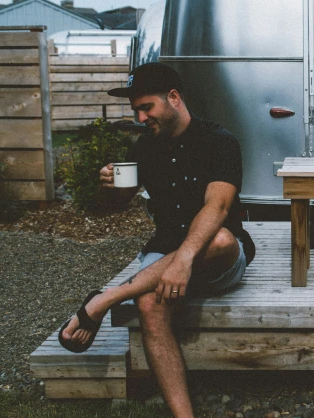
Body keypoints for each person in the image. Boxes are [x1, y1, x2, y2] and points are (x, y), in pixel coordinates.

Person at [58, 62, 254, 418]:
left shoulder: (219, 141)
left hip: (214, 259)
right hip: (163, 253)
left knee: (223, 240)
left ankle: (102, 302)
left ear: (174, 98)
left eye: (147, 107)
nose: (141, 116)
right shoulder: (144, 149)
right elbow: (115, 208)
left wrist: (184, 262)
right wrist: (109, 187)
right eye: (136, 109)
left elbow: (218, 206)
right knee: (148, 306)